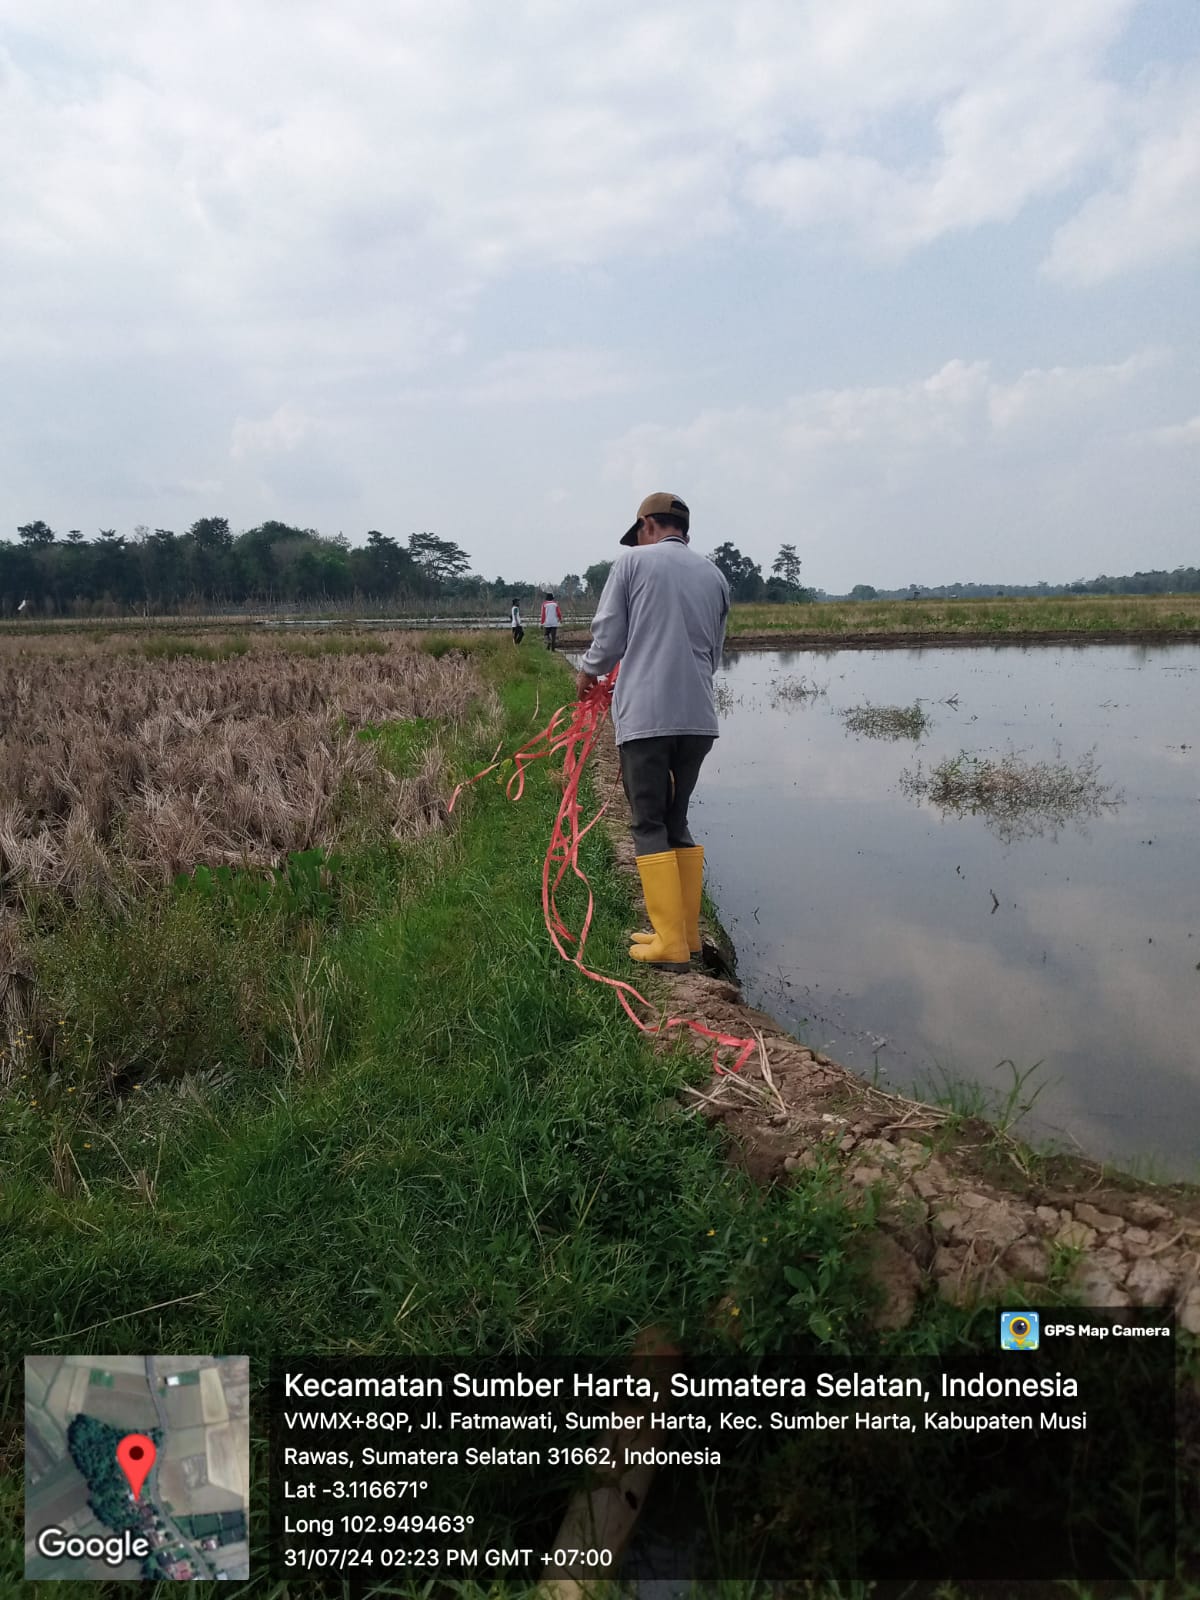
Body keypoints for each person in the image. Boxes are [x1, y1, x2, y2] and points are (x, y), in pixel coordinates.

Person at [575, 492, 729, 972]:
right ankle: (685, 935)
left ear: (647, 525)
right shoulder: (715, 576)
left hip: (647, 717)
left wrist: (588, 671)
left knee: (647, 822)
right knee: (676, 819)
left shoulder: (632, 563)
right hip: (698, 718)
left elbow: (609, 637)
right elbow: (715, 654)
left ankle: (669, 946)